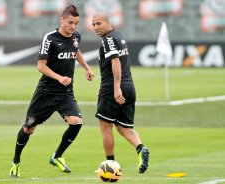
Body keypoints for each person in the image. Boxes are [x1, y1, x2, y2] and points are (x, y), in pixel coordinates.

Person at [10, 4, 94, 177]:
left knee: (77, 122)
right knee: (28, 128)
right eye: (70, 22)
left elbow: (75, 50)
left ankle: (57, 156)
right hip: (46, 92)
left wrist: (86, 68)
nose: (73, 26)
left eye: (77, 23)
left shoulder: (76, 36)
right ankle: (16, 162)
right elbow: (41, 66)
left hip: (65, 93)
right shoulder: (50, 38)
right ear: (61, 20)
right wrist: (59, 78)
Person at [92, 12, 149, 174]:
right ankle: (141, 148)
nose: (96, 27)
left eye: (99, 23)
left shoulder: (108, 39)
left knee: (105, 125)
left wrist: (115, 88)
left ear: (107, 23)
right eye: (93, 25)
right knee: (123, 127)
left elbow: (115, 62)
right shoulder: (119, 36)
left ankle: (110, 165)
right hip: (129, 86)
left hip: (114, 88)